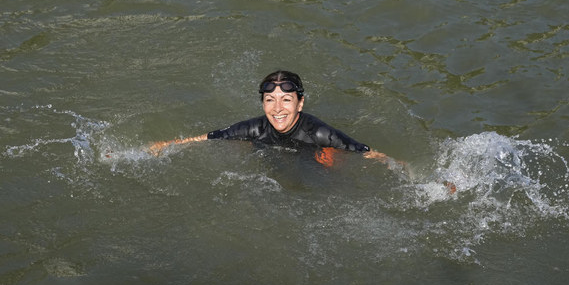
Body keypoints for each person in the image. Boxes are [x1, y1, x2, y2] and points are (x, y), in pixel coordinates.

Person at [148, 70, 390, 166]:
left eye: (286, 100)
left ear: (300, 103)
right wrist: (163, 146)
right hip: (270, 154)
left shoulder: (318, 132)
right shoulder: (255, 128)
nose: (277, 109)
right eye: (269, 100)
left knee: (330, 160)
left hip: (311, 158)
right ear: (262, 103)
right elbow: (207, 137)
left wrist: (399, 167)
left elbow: (366, 152)